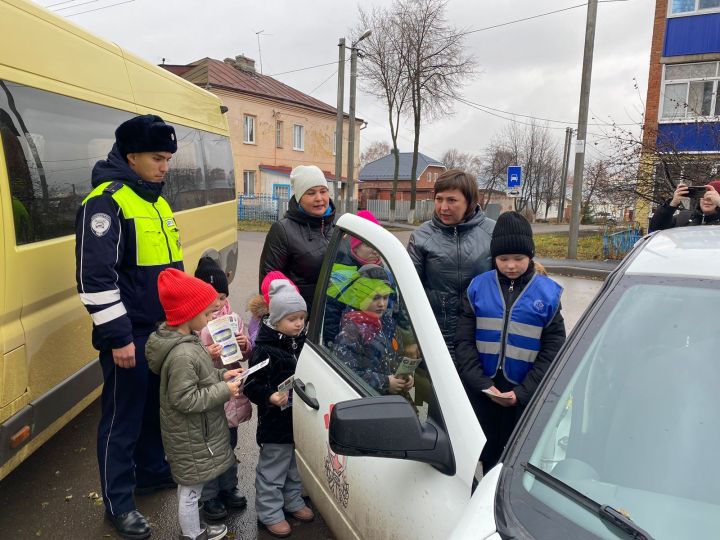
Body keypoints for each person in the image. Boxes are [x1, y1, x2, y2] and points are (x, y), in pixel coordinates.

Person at [75, 114, 181, 538]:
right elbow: (94, 279)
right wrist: (119, 337)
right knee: (122, 419)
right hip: (130, 334)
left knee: (155, 410)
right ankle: (118, 501)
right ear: (131, 155)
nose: (165, 167)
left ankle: (152, 472)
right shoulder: (107, 202)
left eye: (169, 159)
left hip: (162, 329)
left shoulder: (156, 201)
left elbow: (172, 272)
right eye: (158, 158)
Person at [454, 211, 566, 474]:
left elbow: (554, 348)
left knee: (515, 458)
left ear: (531, 256)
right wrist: (483, 385)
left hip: (524, 394)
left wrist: (523, 392)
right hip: (482, 391)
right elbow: (463, 341)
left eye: (519, 258)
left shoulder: (547, 294)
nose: (511, 265)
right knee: (480, 453)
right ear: (494, 257)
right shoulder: (477, 288)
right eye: (504, 259)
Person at [146, 268, 243, 540]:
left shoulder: (187, 343)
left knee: (192, 488)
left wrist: (222, 375)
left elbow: (199, 377)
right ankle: (193, 534)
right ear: (188, 314)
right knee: (190, 491)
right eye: (207, 313)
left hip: (193, 431)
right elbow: (185, 398)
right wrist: (224, 390)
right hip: (189, 433)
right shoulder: (183, 353)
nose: (212, 318)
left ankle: (194, 530)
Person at [244, 272, 315, 538]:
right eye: (292, 319)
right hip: (275, 422)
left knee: (295, 465)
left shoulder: (301, 342)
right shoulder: (265, 348)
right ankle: (269, 511)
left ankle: (292, 500)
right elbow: (251, 384)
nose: (299, 324)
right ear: (276, 319)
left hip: (299, 419)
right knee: (273, 468)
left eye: (302, 319)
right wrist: (270, 396)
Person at [407, 169, 495, 359]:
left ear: (469, 202)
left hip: (481, 339)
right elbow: (409, 292)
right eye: (439, 199)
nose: (443, 207)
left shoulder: (492, 232)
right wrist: (412, 338)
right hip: (435, 338)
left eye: (452, 200)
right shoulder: (422, 236)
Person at [194, 257, 251, 521]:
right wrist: (207, 353)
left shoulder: (233, 318)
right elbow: (187, 358)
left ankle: (229, 488)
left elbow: (245, 349)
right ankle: (209, 497)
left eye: (222, 297)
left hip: (230, 393)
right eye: (213, 298)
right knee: (209, 448)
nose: (218, 304)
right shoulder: (194, 324)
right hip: (207, 395)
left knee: (229, 445)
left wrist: (243, 344)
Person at [258, 165, 336, 313]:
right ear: (299, 198)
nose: (319, 198)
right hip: (299, 319)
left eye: (323, 191)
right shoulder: (283, 230)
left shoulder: (339, 225)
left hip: (335, 316)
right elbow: (269, 282)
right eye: (311, 193)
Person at [333, 264, 415, 396]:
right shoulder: (351, 330)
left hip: (393, 398)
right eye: (375, 297)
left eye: (385, 297)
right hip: (369, 400)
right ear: (359, 296)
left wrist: (405, 376)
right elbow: (346, 373)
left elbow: (397, 357)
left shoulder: (388, 323)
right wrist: (385, 382)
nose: (382, 304)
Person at [324, 210, 384, 344]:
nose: (375, 250)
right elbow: (331, 316)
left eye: (377, 244)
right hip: (347, 344)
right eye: (368, 245)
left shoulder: (384, 272)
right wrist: (331, 345)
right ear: (355, 247)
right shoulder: (341, 275)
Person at [649, 180, 720, 231]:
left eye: (712, 198)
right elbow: (656, 227)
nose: (706, 200)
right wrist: (671, 205)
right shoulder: (683, 218)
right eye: (704, 195)